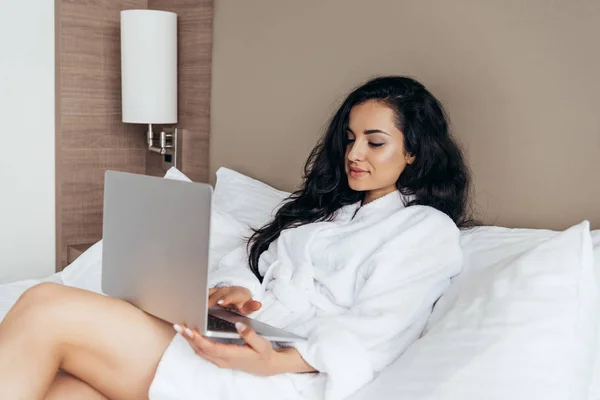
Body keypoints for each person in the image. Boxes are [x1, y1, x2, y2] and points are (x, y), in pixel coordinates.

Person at [0, 76, 473, 400]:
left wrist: (270, 363)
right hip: (241, 342)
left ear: (413, 150)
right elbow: (251, 266)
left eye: (374, 142)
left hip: (281, 377)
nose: (354, 153)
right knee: (63, 385)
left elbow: (378, 331)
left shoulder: (426, 229)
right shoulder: (330, 214)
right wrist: (240, 294)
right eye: (349, 139)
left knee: (46, 305)